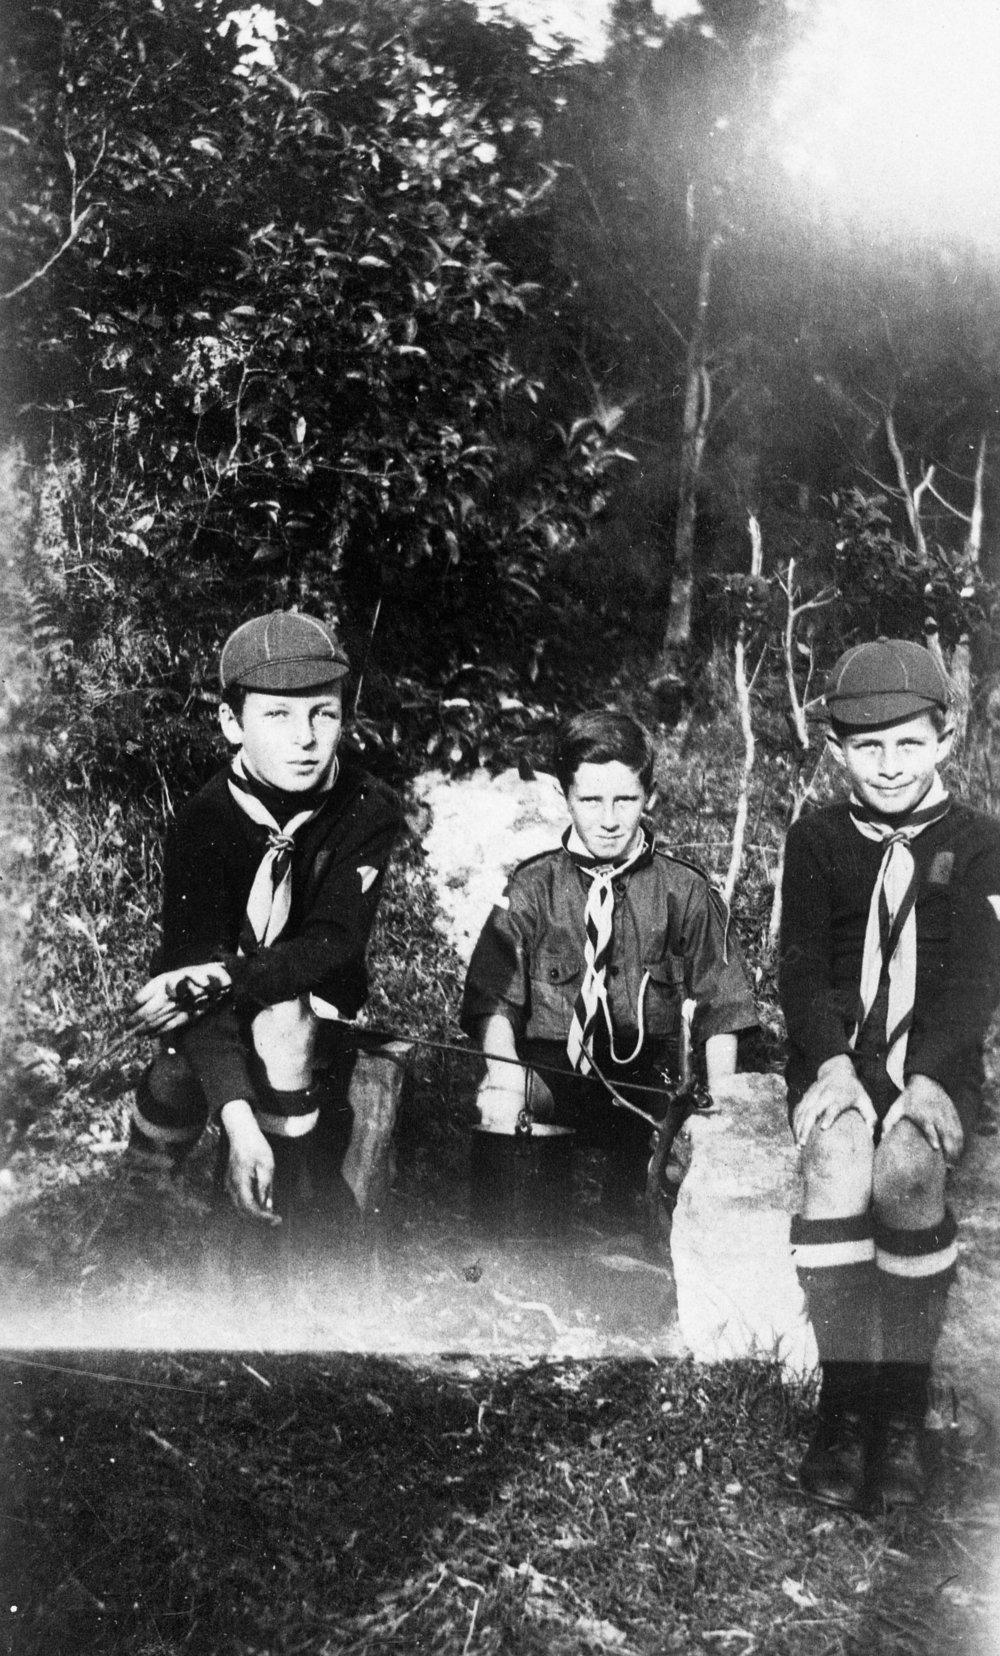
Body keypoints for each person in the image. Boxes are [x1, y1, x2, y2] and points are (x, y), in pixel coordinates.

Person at [780, 639, 1000, 1512]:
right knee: (836, 1157)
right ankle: (845, 1406)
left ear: (947, 739)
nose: (890, 765)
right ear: (837, 750)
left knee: (909, 1165)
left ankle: (901, 1413)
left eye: (909, 743)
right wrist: (830, 1063)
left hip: (933, 1063)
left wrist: (937, 1076)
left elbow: (979, 978)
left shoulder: (983, 843)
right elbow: (801, 966)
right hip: (842, 1055)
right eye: (868, 747)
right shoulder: (818, 838)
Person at [127, 611, 404, 1231]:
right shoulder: (203, 820)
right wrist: (236, 1116)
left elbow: (332, 943)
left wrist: (223, 978)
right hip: (213, 1004)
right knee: (175, 1069)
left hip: (311, 1005)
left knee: (283, 1025)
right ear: (232, 723)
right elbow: (188, 966)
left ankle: (280, 1218)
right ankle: (141, 1202)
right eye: (277, 715)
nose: (303, 738)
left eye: (322, 713)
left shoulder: (368, 809)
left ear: (342, 717)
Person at [460, 709, 758, 1225]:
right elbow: (493, 1001)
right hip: (553, 1076)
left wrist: (721, 1112)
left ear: (651, 797)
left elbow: (723, 1007)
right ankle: (524, 1247)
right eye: (590, 800)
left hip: (650, 1084)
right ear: (563, 796)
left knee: (642, 1216)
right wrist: (505, 1079)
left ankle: (636, 1228)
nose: (609, 818)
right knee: (504, 1111)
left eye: (626, 799)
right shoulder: (532, 887)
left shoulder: (684, 890)